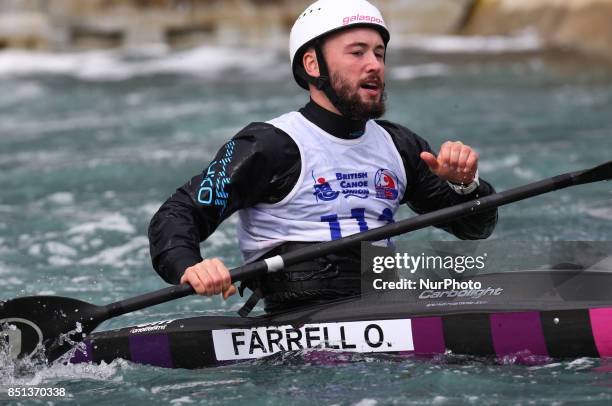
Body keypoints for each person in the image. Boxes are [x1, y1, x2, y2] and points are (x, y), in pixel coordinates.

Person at [148, 0, 498, 314]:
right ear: (313, 64)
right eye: (357, 52)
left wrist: (466, 186)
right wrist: (190, 265)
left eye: (379, 53)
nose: (374, 65)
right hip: (299, 327)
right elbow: (180, 213)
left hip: (386, 306)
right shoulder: (270, 147)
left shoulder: (400, 145)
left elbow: (473, 228)